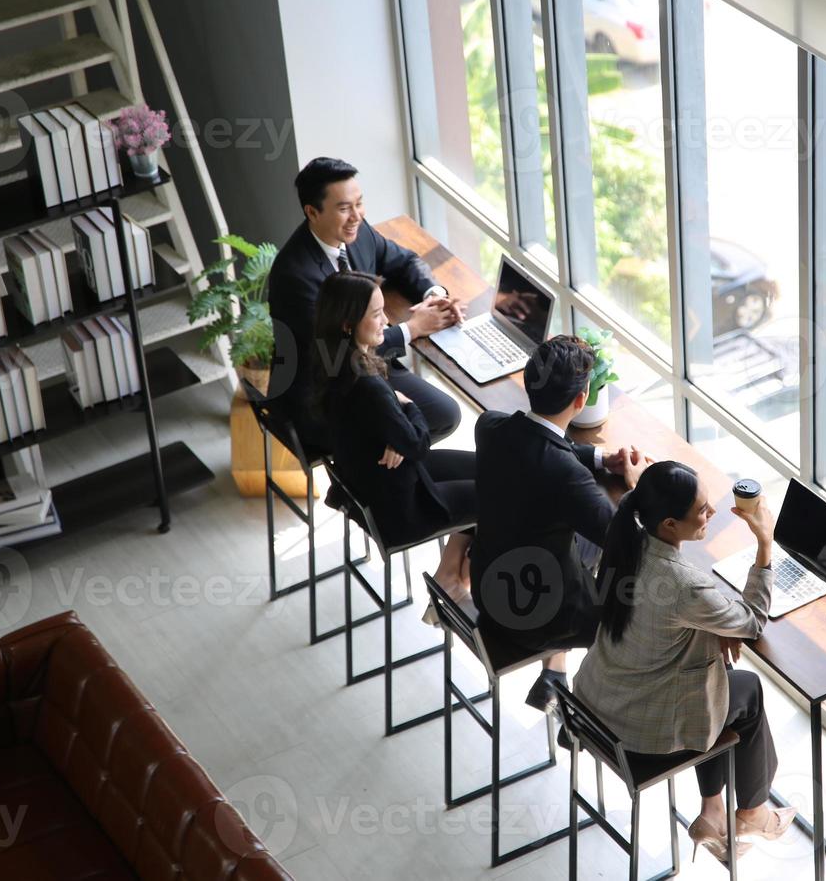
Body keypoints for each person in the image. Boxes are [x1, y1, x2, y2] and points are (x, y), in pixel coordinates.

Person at [573, 461, 795, 864]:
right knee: (747, 692)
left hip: (593, 702)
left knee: (720, 677)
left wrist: (710, 629)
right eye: (703, 510)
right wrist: (764, 545)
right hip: (638, 734)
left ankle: (713, 813)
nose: (712, 514)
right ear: (670, 524)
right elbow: (750, 622)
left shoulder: (628, 541)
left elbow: (675, 613)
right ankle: (753, 813)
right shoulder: (684, 584)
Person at [470, 334, 650, 712]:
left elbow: (541, 441)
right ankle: (590, 711)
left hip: (489, 589)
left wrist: (601, 459)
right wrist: (634, 486)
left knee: (573, 541)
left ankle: (556, 670)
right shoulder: (566, 475)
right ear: (581, 400)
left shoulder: (489, 427)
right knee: (641, 587)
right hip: (540, 620)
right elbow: (623, 538)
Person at [269, 157, 466, 453]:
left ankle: (390, 465)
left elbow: (405, 261)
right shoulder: (294, 276)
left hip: (370, 366)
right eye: (344, 208)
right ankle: (367, 480)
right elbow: (335, 355)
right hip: (325, 392)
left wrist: (432, 294)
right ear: (312, 212)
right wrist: (412, 329)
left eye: (359, 203)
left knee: (444, 413)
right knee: (435, 418)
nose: (357, 216)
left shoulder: (356, 233)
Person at [312, 272, 475, 606]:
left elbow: (388, 429)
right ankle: (456, 585)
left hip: (377, 482)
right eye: (376, 314)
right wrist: (407, 408)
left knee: (492, 467)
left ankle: (449, 574)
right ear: (347, 324)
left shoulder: (332, 362)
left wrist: (394, 428)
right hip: (402, 507)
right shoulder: (367, 384)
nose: (386, 321)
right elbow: (416, 444)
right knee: (504, 492)